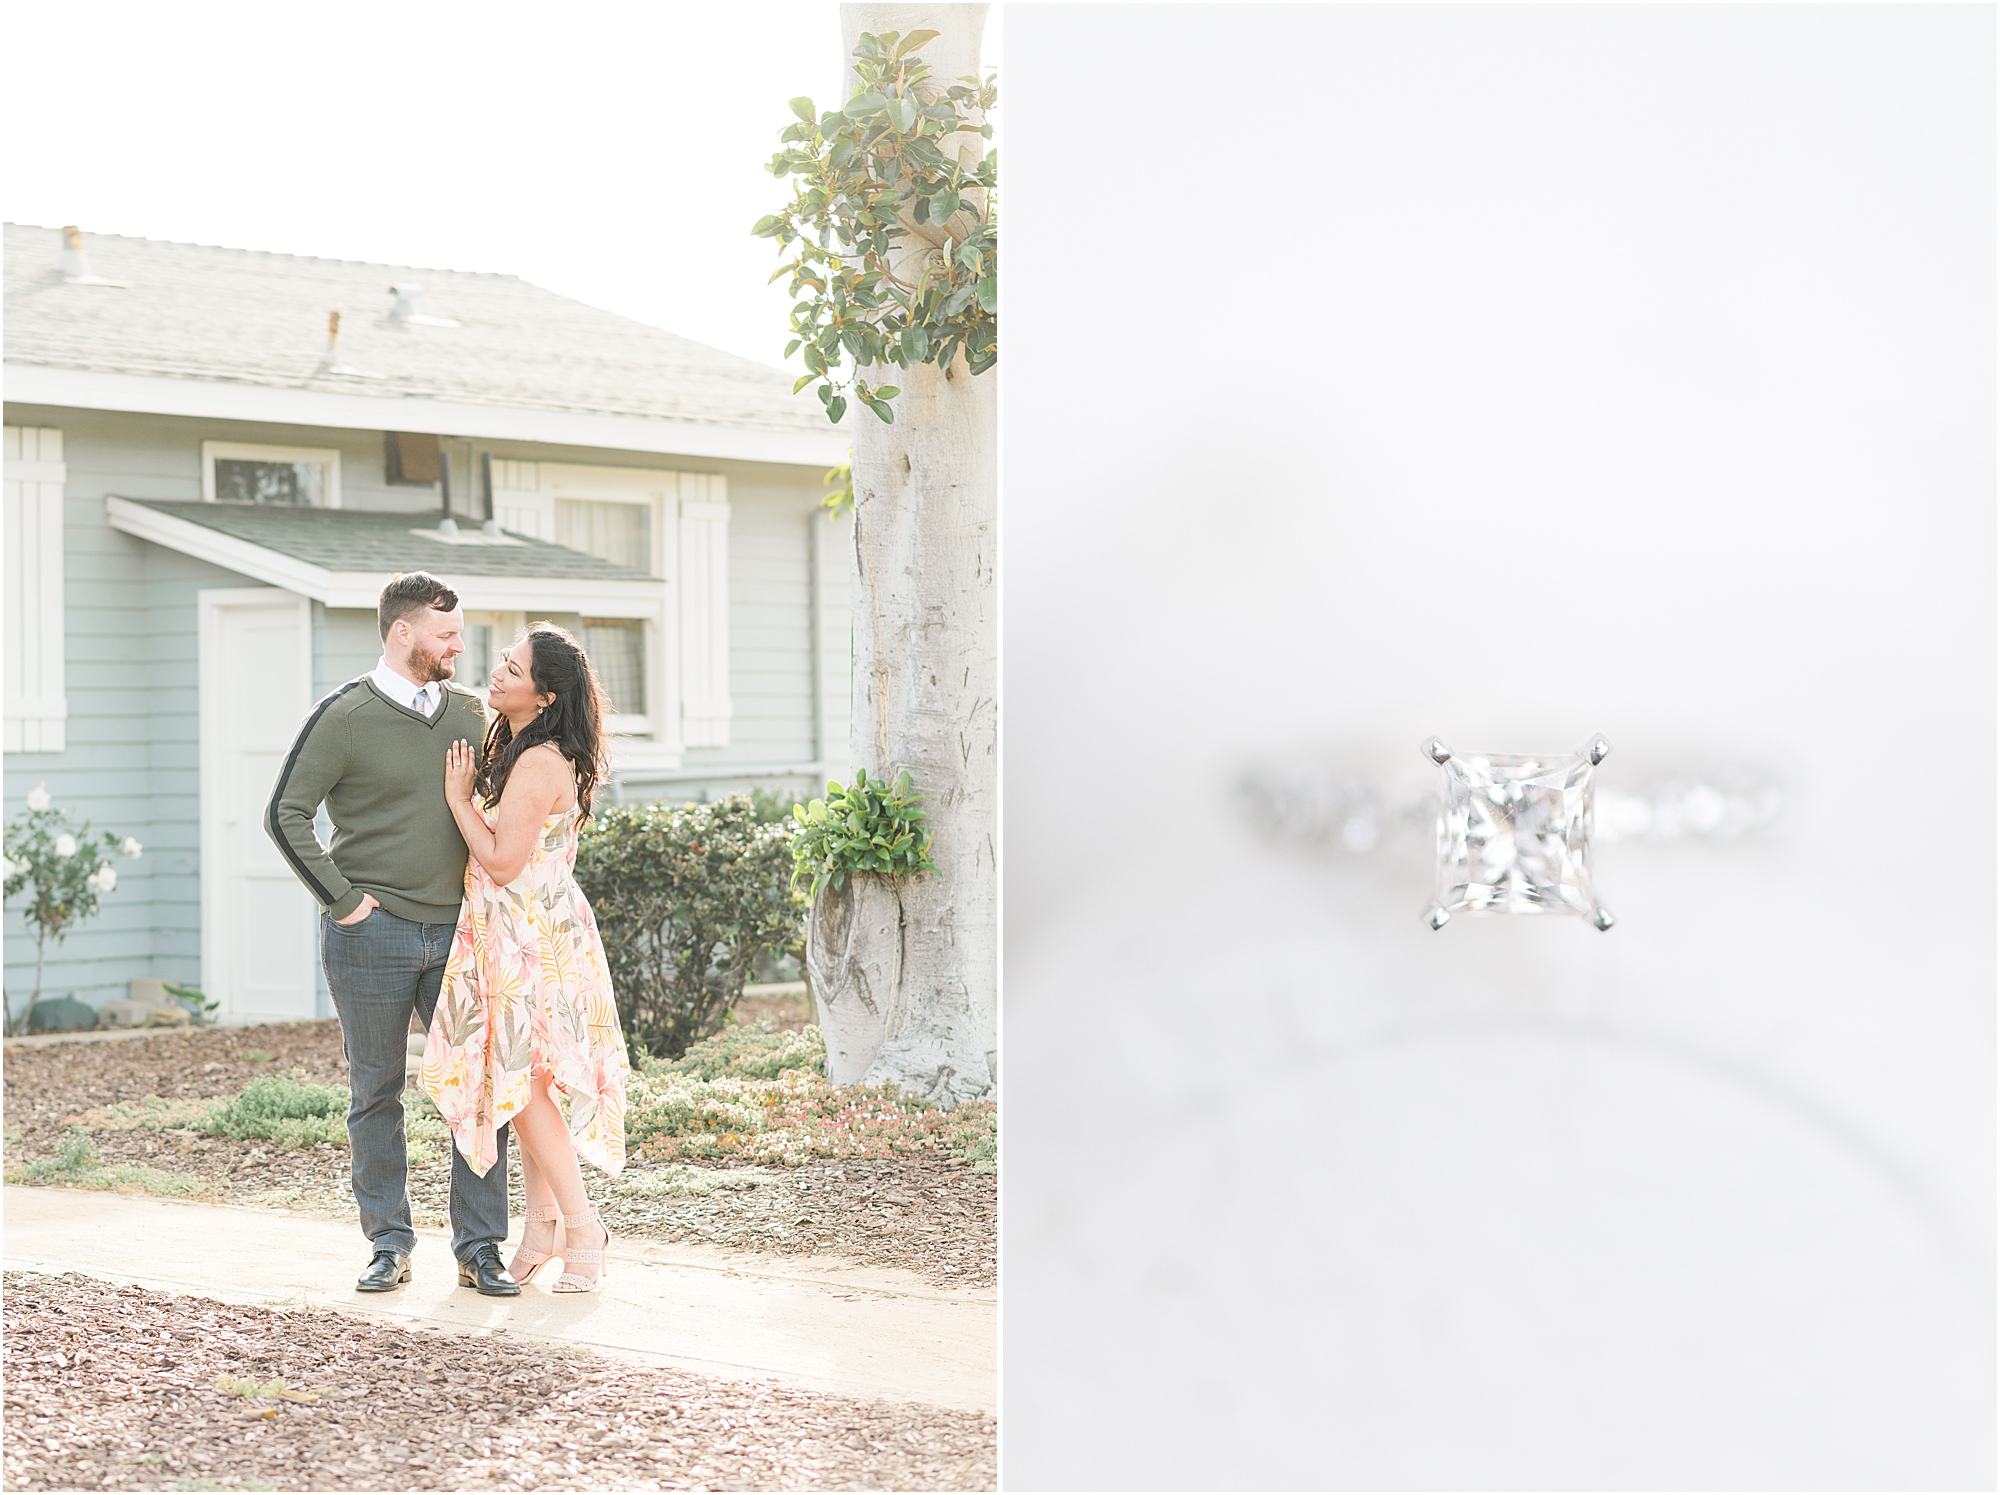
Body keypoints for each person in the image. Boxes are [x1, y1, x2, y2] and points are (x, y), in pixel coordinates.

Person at [266, 572, 520, 1297]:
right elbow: (286, 813)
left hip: (459, 937)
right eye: (446, 635)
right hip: (368, 940)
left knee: (475, 1093)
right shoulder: (343, 716)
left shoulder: (472, 714)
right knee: (375, 1091)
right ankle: (389, 1241)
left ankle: (480, 1248)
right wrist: (344, 903)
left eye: (460, 633)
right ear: (402, 633)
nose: (459, 646)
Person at [419, 622, 629, 1292]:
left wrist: (456, 800)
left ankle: (581, 1223)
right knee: (524, 1083)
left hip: (530, 934)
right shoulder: (522, 744)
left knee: (528, 1084)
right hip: (516, 932)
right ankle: (542, 1225)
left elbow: (506, 862)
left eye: (512, 668)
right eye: (503, 663)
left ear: (543, 694)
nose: (497, 673)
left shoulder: (539, 762)